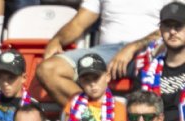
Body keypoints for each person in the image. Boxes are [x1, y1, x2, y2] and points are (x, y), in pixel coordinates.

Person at [35, 0, 163, 107]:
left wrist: (132, 47)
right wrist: (57, 40)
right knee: (48, 70)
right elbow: (79, 23)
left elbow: (172, 28)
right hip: (107, 51)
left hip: (151, 49)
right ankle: (95, 119)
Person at [134, 3, 185, 121]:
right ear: (161, 30)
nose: (173, 31)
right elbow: (135, 118)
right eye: (168, 26)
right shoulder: (145, 75)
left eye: (178, 26)